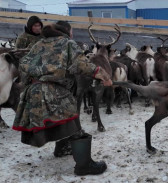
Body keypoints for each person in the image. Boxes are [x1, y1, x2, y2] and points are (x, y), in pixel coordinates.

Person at [12, 21, 111, 175]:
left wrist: (30, 82)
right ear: (66, 31)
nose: (72, 33)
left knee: (64, 118)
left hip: (33, 91)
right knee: (74, 122)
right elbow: (82, 65)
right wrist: (104, 76)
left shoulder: (39, 44)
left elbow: (24, 63)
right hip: (53, 90)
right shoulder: (67, 43)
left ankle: (62, 148)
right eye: (71, 31)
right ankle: (84, 166)